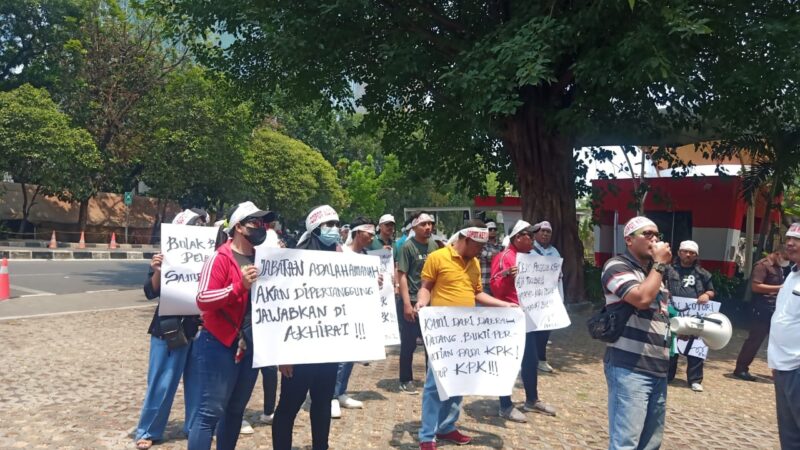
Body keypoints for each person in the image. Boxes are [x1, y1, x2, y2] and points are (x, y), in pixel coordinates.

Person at [415, 219, 517, 450]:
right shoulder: (437, 257)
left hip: (465, 335)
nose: (481, 251)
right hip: (442, 333)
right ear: (466, 240)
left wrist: (503, 306)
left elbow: (477, 294)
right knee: (434, 384)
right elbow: (426, 287)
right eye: (478, 247)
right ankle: (427, 435)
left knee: (459, 381)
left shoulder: (474, 263)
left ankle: (447, 427)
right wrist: (421, 303)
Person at [189, 201, 275, 450]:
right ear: (238, 226)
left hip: (250, 347)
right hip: (218, 344)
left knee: (236, 411)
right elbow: (203, 298)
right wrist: (239, 287)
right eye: (254, 223)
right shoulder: (220, 258)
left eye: (263, 224)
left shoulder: (264, 260)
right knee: (209, 413)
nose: (261, 228)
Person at [133, 208, 208, 450]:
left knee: (198, 383)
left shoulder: (209, 257)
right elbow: (150, 291)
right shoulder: (166, 256)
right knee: (161, 383)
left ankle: (195, 427)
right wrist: (157, 271)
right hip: (169, 328)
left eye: (203, 226)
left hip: (199, 328)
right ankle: (148, 429)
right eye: (195, 224)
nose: (200, 230)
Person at [272, 205, 342, 450]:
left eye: (336, 224)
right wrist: (283, 354)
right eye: (328, 225)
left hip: (328, 349)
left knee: (322, 404)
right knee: (289, 406)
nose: (334, 229)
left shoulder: (341, 259)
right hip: (299, 350)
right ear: (314, 229)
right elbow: (282, 309)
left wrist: (369, 284)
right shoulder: (295, 258)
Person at [601, 216, 672, 450]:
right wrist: (660, 264)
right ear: (629, 240)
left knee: (650, 443)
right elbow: (641, 299)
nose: (654, 239)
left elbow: (659, 312)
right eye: (647, 234)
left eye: (657, 234)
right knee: (626, 443)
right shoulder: (616, 266)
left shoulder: (654, 274)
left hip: (658, 368)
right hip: (629, 366)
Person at [490, 220, 557, 423]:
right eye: (530, 235)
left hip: (530, 317)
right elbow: (496, 289)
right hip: (509, 318)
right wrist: (508, 277)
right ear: (518, 237)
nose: (533, 238)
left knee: (530, 358)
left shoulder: (533, 258)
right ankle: (505, 405)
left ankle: (532, 399)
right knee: (508, 361)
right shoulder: (504, 258)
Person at [331, 217, 376, 418]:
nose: (371, 237)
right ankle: (331, 395)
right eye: (369, 233)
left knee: (350, 353)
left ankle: (341, 391)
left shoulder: (367, 256)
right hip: (339, 310)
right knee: (339, 355)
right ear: (358, 233)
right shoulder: (340, 252)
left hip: (358, 310)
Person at [396, 212, 439, 394]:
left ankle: (433, 377)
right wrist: (406, 303)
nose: (428, 227)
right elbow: (402, 276)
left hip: (429, 303)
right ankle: (405, 379)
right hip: (411, 300)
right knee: (409, 344)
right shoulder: (407, 247)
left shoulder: (434, 245)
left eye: (430, 224)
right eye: (423, 224)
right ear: (414, 227)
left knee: (431, 343)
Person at [665, 240, 716, 392]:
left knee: (696, 347)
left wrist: (707, 294)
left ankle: (695, 379)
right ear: (679, 252)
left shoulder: (703, 273)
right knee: (671, 344)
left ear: (696, 255)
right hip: (673, 311)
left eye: (691, 253)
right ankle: (667, 376)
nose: (688, 255)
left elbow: (712, 291)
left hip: (695, 314)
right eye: (685, 251)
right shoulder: (668, 270)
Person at [768, 223, 800, 449]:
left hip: (797, 366)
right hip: (783, 366)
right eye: (789, 238)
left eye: (797, 239)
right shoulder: (792, 274)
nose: (790, 243)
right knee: (789, 437)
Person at [734, 249, 787, 381]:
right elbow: (756, 286)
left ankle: (779, 372)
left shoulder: (778, 267)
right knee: (755, 340)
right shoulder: (762, 266)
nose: (786, 262)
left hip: (776, 308)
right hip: (762, 308)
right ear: (777, 253)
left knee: (778, 341)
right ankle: (741, 368)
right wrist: (781, 288)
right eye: (785, 258)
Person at [532, 221, 561, 373]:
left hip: (548, 298)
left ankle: (541, 359)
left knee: (545, 329)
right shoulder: (528, 251)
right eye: (542, 231)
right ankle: (532, 358)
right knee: (532, 331)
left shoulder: (554, 252)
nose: (545, 234)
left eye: (548, 232)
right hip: (532, 298)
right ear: (535, 233)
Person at [479, 221, 504, 295]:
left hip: (498, 282)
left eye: (494, 229)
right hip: (485, 283)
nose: (493, 231)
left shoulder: (500, 245)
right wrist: (500, 255)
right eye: (490, 229)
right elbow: (490, 257)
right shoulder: (481, 245)